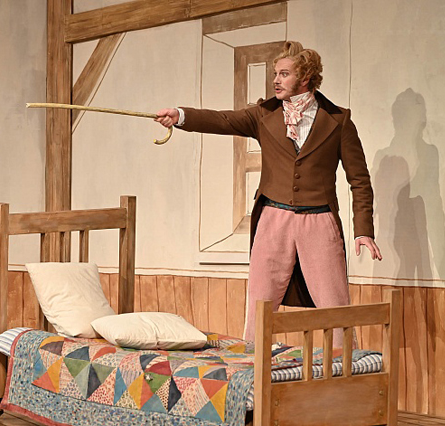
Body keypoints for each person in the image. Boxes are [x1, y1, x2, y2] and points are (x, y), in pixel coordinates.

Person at [156, 41, 382, 344]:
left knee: (335, 306)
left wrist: (363, 230)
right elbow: (223, 120)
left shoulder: (338, 120)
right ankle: (255, 365)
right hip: (273, 218)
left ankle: (347, 369)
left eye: (284, 74)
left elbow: (360, 180)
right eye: (276, 74)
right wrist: (180, 115)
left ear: (305, 77)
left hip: (318, 219)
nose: (276, 80)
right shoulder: (264, 115)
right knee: (260, 304)